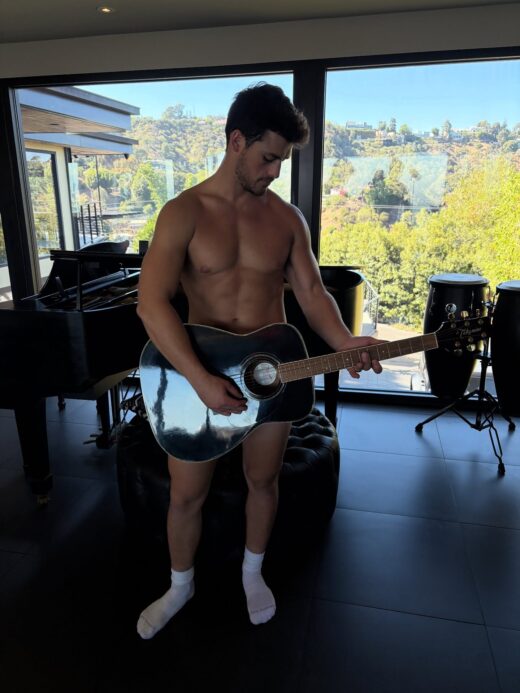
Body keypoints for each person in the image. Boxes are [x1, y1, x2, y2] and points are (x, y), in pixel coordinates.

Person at [135, 83, 383, 639]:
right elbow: (150, 304)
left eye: (281, 162)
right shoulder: (183, 212)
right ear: (236, 142)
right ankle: (180, 586)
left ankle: (252, 573)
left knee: (263, 480)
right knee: (186, 494)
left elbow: (313, 293)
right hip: (199, 375)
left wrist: (344, 341)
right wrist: (201, 381)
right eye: (268, 158)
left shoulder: (287, 219)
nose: (274, 171)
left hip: (270, 373)